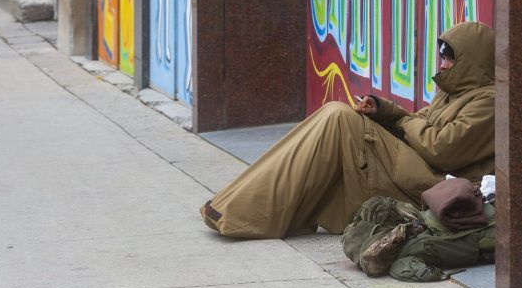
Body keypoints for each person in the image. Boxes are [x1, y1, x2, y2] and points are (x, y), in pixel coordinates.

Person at [199, 21, 495, 239]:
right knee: (335, 117)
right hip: (415, 171)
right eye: (441, 55)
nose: (442, 65)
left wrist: (401, 120)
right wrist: (384, 110)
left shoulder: (489, 102)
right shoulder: (453, 92)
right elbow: (421, 120)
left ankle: (244, 215)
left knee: (338, 117)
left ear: (473, 61)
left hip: (433, 186)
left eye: (449, 57)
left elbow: (441, 148)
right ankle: (238, 205)